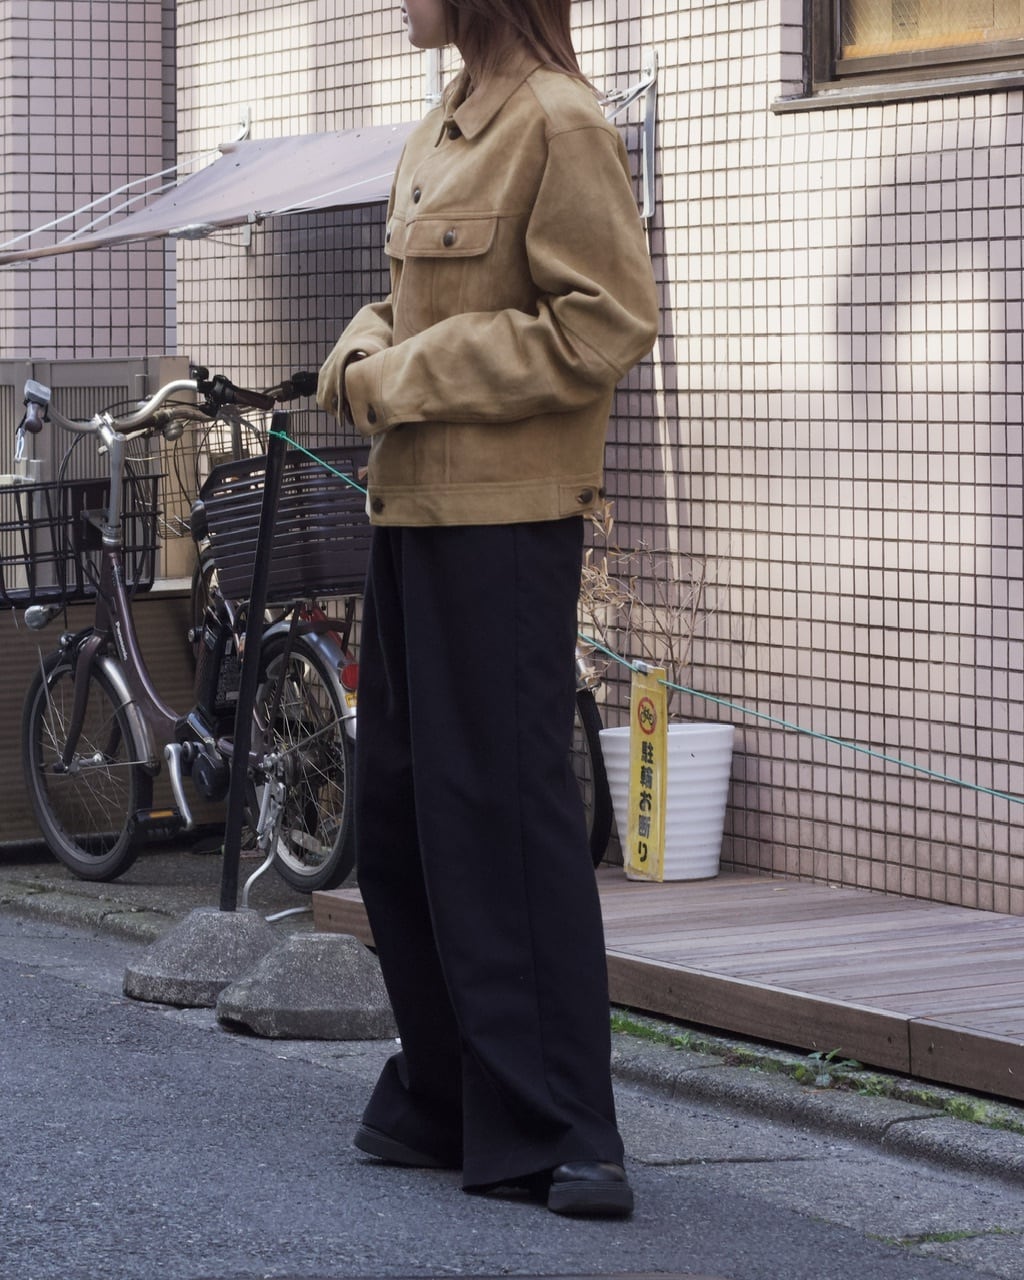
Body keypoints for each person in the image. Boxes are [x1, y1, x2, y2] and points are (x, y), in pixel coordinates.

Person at [317, 0, 658, 1217]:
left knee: (502, 817)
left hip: (506, 523)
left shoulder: (559, 122)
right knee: (403, 813)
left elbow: (604, 321)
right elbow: (409, 306)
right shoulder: (445, 124)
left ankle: (567, 1129)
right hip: (412, 510)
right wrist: (357, 351)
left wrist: (401, 372)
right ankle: (455, 1093)